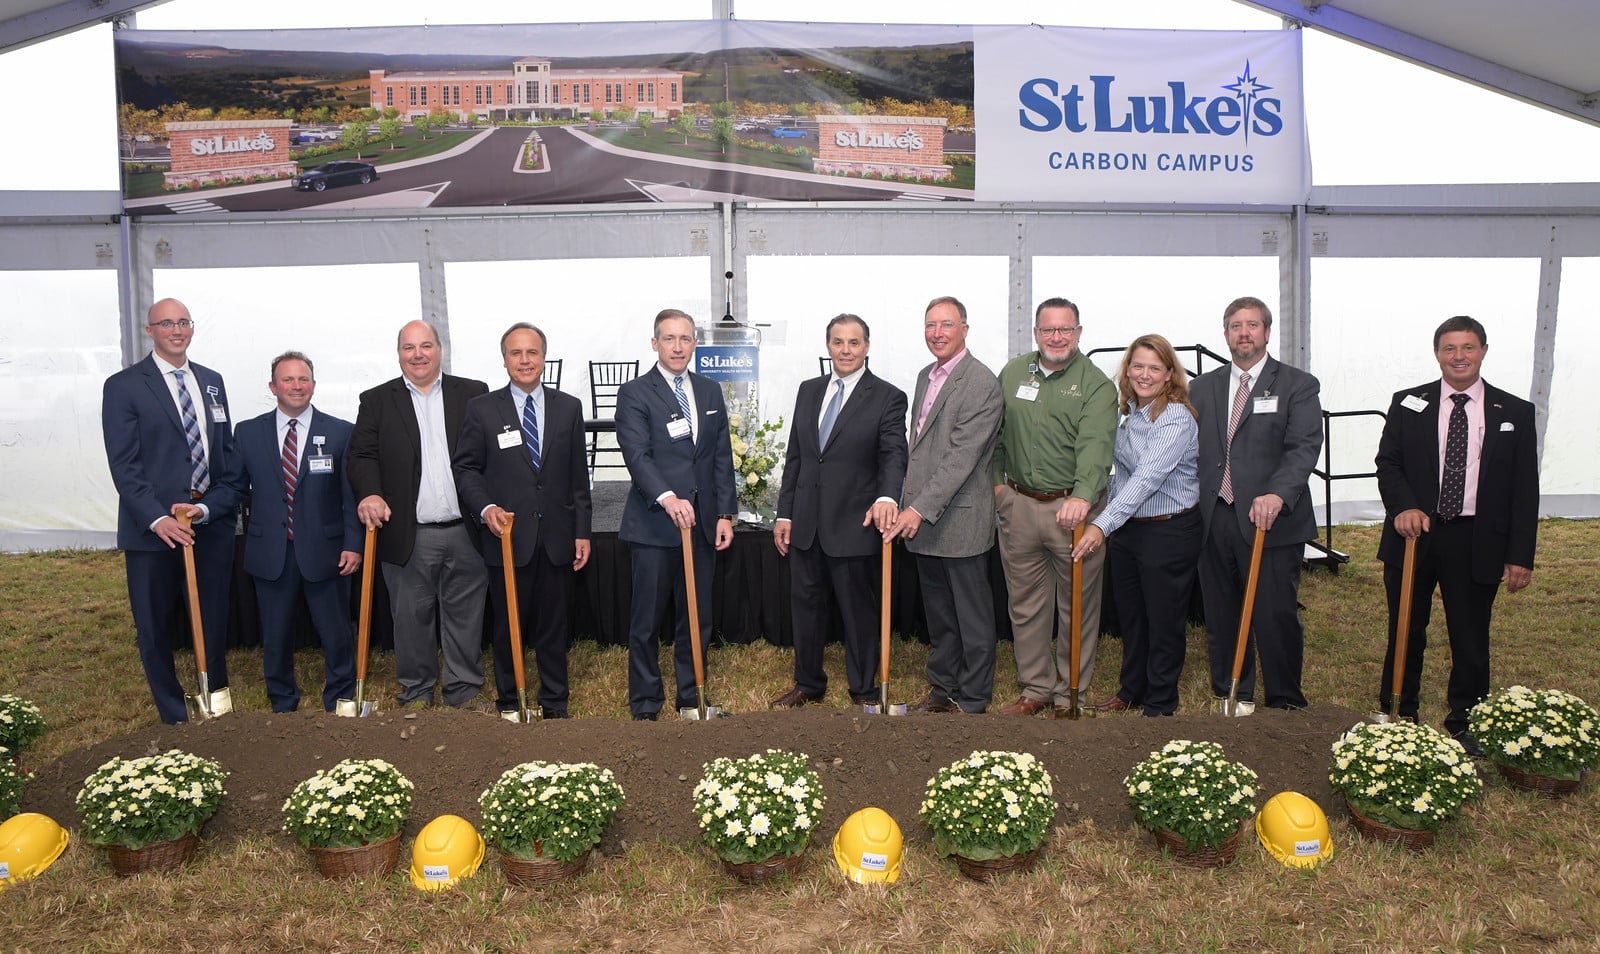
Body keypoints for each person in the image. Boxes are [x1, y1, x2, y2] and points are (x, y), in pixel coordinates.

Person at [1374, 316, 1538, 757]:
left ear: (1484, 350)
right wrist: (1404, 507)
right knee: (1405, 626)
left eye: (1468, 347)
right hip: (1414, 537)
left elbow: (1525, 489)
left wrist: (1520, 555)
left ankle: (1466, 721)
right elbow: (1387, 463)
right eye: (1450, 348)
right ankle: (1397, 714)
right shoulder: (1408, 403)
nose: (1459, 356)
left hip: (1475, 539)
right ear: (1437, 353)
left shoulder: (1515, 412)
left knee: (1470, 635)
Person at [101, 298, 243, 724]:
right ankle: (173, 711)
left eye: (183, 322)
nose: (176, 330)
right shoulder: (124, 385)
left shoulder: (213, 382)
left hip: (206, 525)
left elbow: (226, 455)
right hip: (153, 531)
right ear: (150, 331)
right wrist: (158, 517)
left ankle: (214, 699)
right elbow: (124, 464)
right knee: (154, 625)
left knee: (213, 617)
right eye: (167, 323)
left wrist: (208, 509)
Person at [452, 323, 592, 719]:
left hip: (557, 536)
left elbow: (579, 477)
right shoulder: (482, 408)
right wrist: (485, 508)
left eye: (532, 353)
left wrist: (582, 531)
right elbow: (465, 469)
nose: (525, 360)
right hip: (507, 536)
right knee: (506, 626)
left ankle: (555, 704)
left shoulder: (569, 407)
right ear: (505, 360)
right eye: (516, 353)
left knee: (554, 627)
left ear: (544, 358)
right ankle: (511, 703)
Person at [349, 320, 489, 709]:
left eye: (425, 346)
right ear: (399, 354)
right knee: (410, 618)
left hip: (466, 529)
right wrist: (370, 493)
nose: (418, 355)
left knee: (466, 615)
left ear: (440, 350)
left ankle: (464, 692)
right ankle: (416, 692)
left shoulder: (473, 394)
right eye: (409, 348)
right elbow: (361, 456)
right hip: (408, 532)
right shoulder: (376, 400)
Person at [770, 314, 908, 708]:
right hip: (807, 524)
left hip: (855, 523)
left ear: (867, 346)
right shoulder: (808, 390)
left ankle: (864, 689)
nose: (845, 350)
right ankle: (807, 683)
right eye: (837, 342)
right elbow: (796, 456)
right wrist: (785, 514)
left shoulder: (887, 396)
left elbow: (894, 455)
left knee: (859, 614)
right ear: (828, 345)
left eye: (853, 342)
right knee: (805, 608)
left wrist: (887, 497)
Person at [1193, 296, 1323, 712]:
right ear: (1226, 334)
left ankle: (1285, 698)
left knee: (1274, 611)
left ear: (1267, 332)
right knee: (1222, 610)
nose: (1243, 333)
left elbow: (1303, 447)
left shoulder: (1298, 385)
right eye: (1235, 326)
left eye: (1252, 325)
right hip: (1216, 516)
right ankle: (1233, 693)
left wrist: (1278, 493)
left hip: (1271, 520)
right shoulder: (1203, 386)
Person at [990, 298, 1116, 717]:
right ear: (1036, 334)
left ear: (1079, 333)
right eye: (1049, 330)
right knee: (1024, 603)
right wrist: (998, 488)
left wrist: (1081, 496)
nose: (1057, 337)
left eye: (1065, 330)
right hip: (1020, 505)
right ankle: (1035, 689)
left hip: (1073, 511)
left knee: (1076, 604)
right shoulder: (1012, 373)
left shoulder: (1096, 385)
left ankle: (1070, 694)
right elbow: (996, 433)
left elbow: (1096, 446)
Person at [615, 309, 737, 720]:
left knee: (696, 616)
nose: (678, 346)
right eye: (669, 339)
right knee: (646, 622)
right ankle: (646, 704)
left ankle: (692, 697)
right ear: (655, 343)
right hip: (653, 527)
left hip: (701, 526)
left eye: (685, 339)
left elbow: (720, 456)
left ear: (694, 344)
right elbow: (637, 455)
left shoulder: (708, 391)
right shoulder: (635, 393)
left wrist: (724, 513)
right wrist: (668, 498)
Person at [1072, 335, 1201, 717]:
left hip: (1169, 530)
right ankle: (1132, 690)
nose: (1145, 374)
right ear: (1127, 370)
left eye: (1155, 368)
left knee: (1163, 620)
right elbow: (1120, 477)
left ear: (1169, 376)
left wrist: (1101, 525)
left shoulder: (1174, 417)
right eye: (1138, 366)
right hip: (1131, 529)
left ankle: (1160, 702)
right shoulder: (1129, 415)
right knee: (1133, 616)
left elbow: (1146, 478)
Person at [885, 295, 1003, 715]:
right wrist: (904, 503)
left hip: (960, 519)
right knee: (939, 615)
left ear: (965, 330)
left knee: (971, 616)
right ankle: (942, 689)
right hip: (925, 519)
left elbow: (961, 457)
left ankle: (972, 697)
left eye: (947, 325)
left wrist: (917, 509)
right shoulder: (925, 375)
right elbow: (920, 449)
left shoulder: (981, 383)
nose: (937, 333)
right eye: (931, 325)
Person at [231, 351, 362, 712]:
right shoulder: (247, 432)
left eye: (303, 379)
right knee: (275, 635)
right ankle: (282, 701)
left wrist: (354, 544)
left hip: (328, 552)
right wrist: (202, 506)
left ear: (314, 385)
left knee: (336, 633)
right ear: (272, 386)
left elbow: (350, 497)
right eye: (287, 380)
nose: (296, 386)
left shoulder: (340, 432)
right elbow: (233, 486)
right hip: (270, 553)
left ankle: (340, 699)